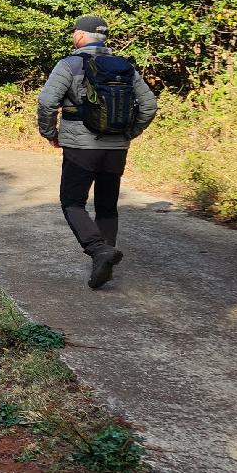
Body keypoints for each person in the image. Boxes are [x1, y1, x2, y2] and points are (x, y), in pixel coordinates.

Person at [37, 15, 157, 289]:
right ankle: (103, 263)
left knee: (72, 202)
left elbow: (46, 102)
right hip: (116, 148)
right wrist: (129, 132)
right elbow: (149, 105)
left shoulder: (69, 64)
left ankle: (98, 250)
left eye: (74, 32)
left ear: (80, 35)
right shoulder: (124, 67)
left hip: (81, 147)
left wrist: (50, 133)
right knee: (106, 206)